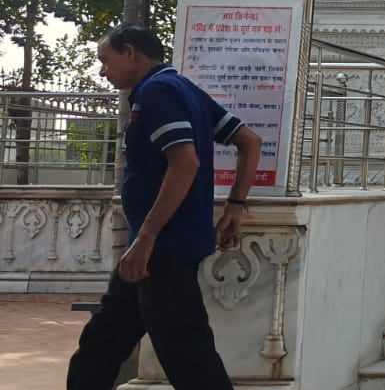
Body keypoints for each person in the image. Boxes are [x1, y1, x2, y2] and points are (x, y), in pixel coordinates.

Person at [68, 25, 264, 389]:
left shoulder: (157, 91)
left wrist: (146, 237)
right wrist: (235, 205)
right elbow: (249, 141)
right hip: (155, 251)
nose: (102, 71)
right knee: (101, 343)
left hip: (162, 251)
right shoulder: (182, 87)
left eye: (105, 61)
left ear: (130, 52)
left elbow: (185, 162)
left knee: (191, 360)